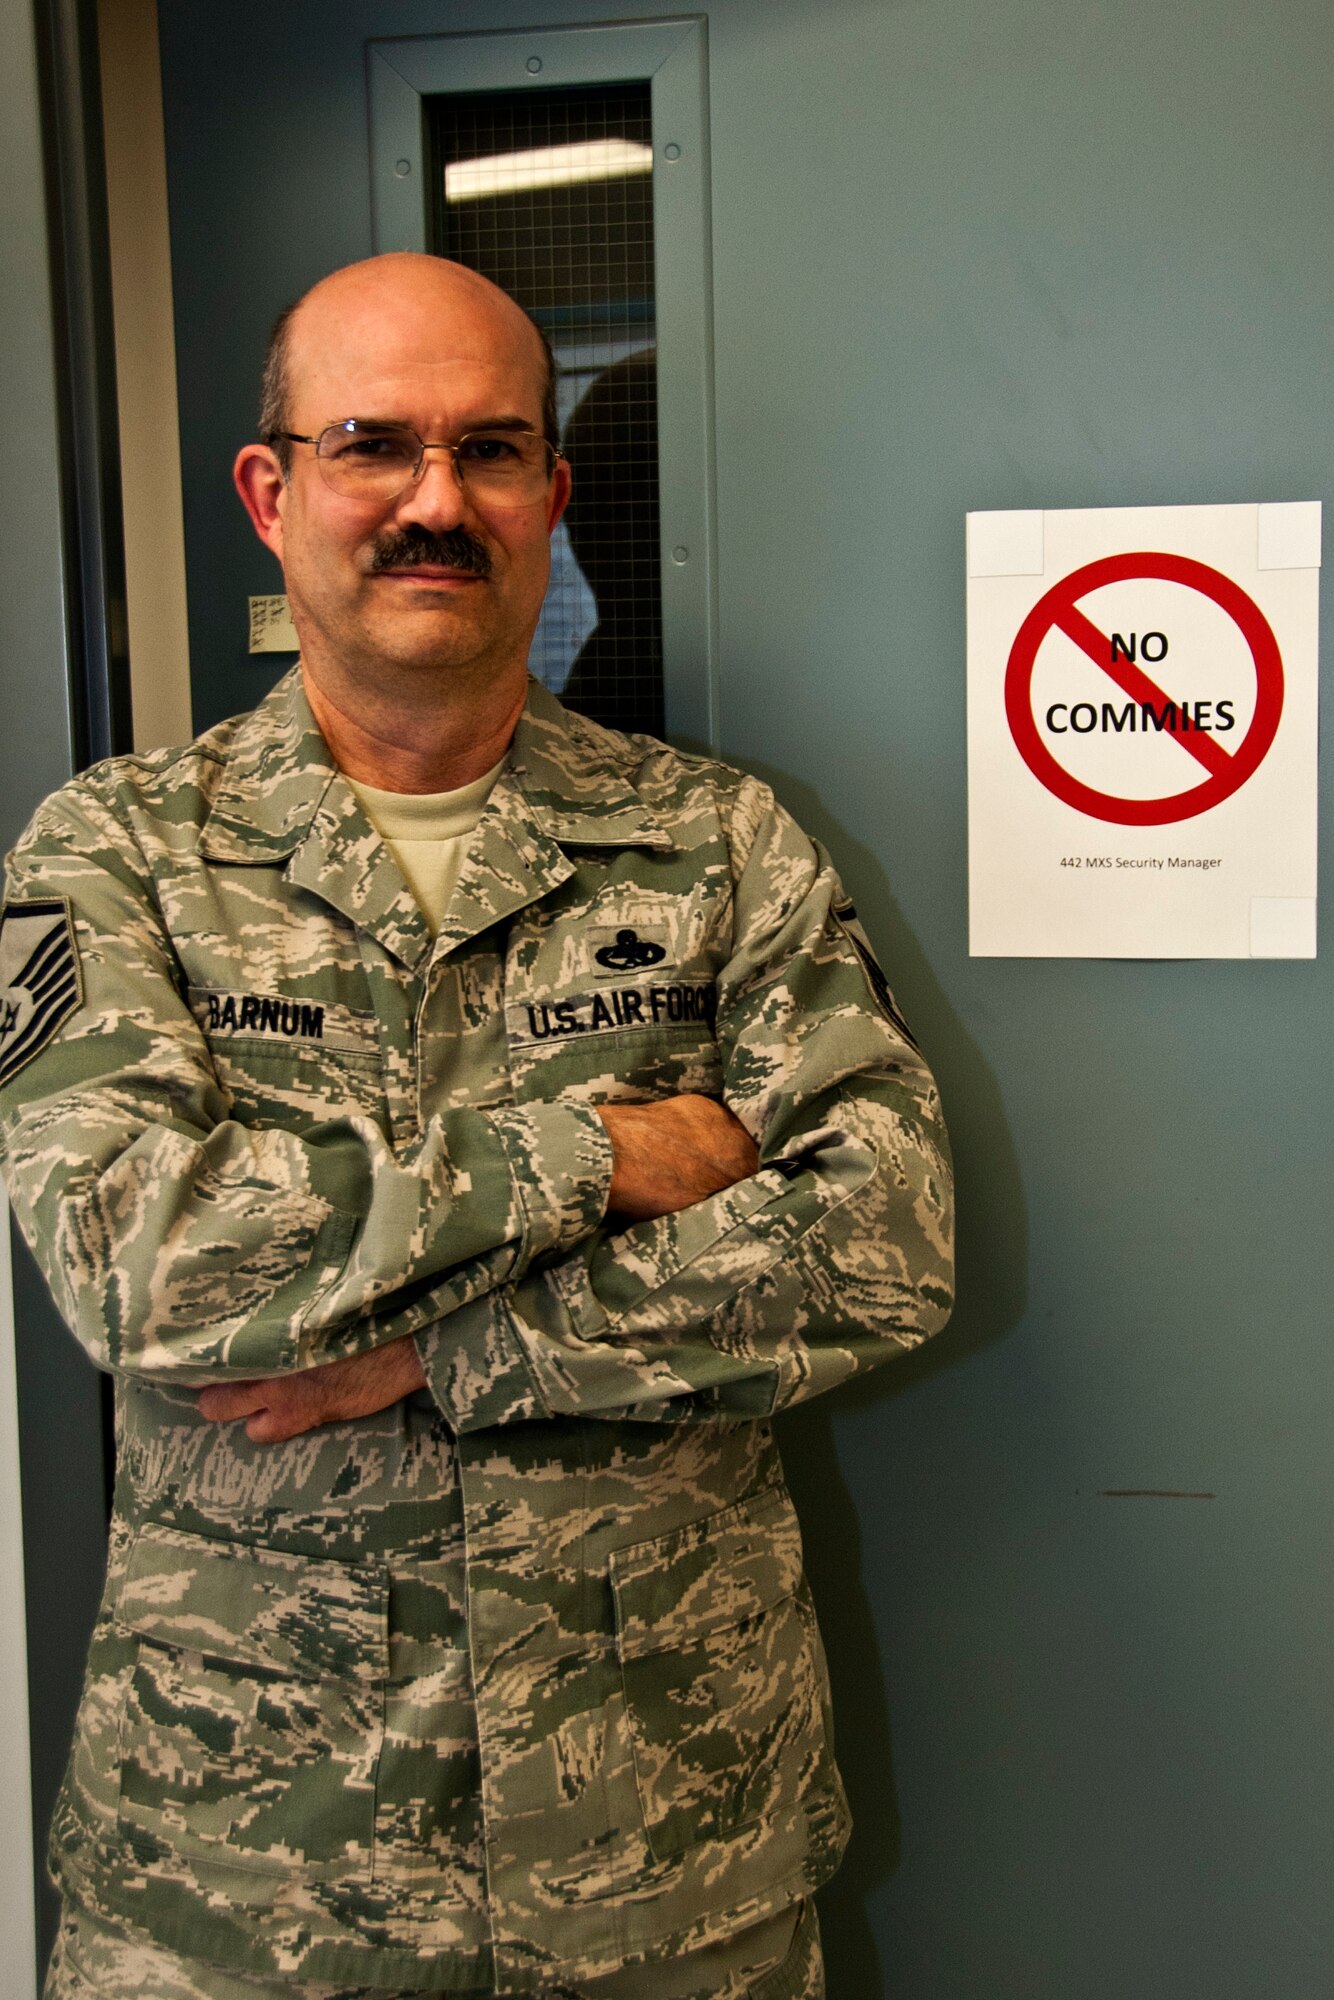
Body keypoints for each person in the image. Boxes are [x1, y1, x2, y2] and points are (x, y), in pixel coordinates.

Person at [0, 254, 954, 2000]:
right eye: (375, 445)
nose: (436, 502)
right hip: (241, 1872)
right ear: (270, 490)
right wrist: (603, 1157)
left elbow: (880, 1241)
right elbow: (137, 1263)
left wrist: (442, 1355)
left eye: (491, 450)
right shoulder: (115, 852)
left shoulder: (719, 845)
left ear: (549, 500)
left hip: (666, 1846)